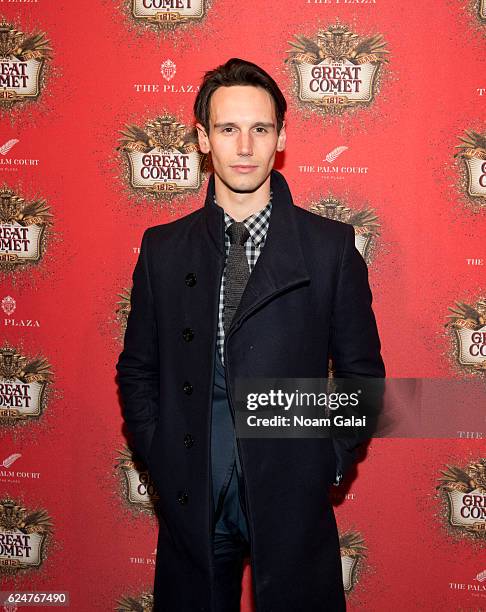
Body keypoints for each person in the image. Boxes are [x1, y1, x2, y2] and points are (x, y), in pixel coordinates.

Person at [116, 57, 385, 612]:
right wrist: (160, 454)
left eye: (259, 129)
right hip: (195, 494)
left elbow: (362, 377)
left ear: (281, 137)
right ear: (201, 139)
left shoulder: (330, 247)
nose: (244, 147)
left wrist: (327, 461)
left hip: (290, 493)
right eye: (227, 129)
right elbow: (137, 368)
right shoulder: (163, 250)